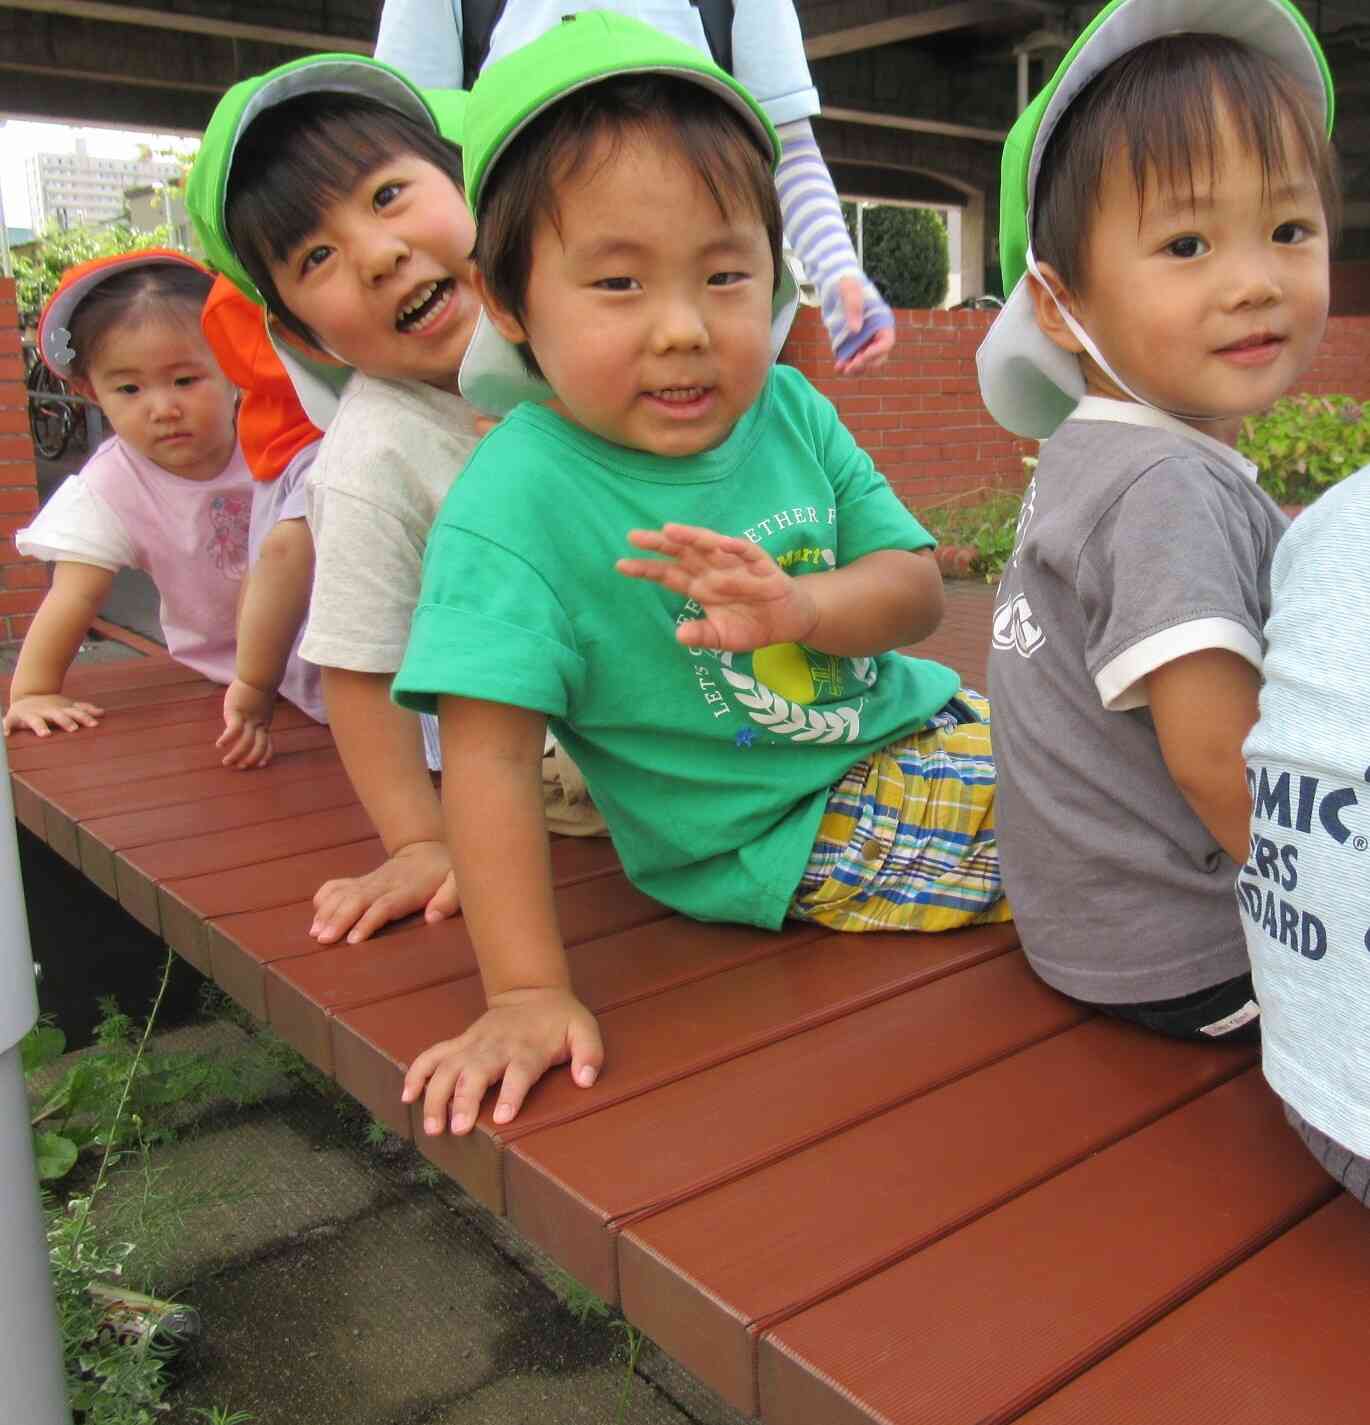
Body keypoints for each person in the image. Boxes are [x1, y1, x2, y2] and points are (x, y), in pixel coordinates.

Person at [391, 13, 1009, 1138]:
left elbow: (914, 592)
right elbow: (482, 761)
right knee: (1096, 840)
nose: (684, 330)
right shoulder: (516, 503)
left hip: (922, 727)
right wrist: (524, 994)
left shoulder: (786, 406)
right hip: (776, 827)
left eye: (725, 275)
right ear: (507, 301)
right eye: (618, 285)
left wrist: (802, 607)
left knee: (1120, 757)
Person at [976, 0, 1338, 1041]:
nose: (1252, 281)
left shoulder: (1104, 450)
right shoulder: (1161, 485)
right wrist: (1324, 916)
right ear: (1055, 305)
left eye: (1286, 230)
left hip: (1092, 928)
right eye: (1185, 243)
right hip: (1191, 950)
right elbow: (1215, 762)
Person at [185, 57, 481, 943]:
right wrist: (420, 839)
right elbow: (360, 669)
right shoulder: (372, 456)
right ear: (300, 335)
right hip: (535, 761)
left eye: (388, 195)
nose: (379, 254)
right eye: (317, 256)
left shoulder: (574, 331)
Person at [372, 0, 896, 375]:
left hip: (724, 356)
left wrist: (838, 274)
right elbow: (415, 150)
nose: (676, 333)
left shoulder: (798, 429)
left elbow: (788, 146)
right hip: (537, 367)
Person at [5, 251, 252, 739]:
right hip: (228, 671)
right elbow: (74, 595)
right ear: (93, 393)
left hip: (331, 649)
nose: (163, 408)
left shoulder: (275, 436)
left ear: (233, 366)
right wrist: (32, 690)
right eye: (129, 389)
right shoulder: (113, 486)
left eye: (185, 380)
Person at [1239, 463, 1370, 1205]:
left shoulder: (1328, 515)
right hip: (1177, 974)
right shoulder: (1164, 492)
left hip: (1308, 1084)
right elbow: (1201, 760)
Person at [199, 275, 328, 769]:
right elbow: (283, 554)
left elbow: (264, 560)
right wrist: (253, 686)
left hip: (295, 666)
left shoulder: (277, 433)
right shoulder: (329, 447)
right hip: (350, 676)